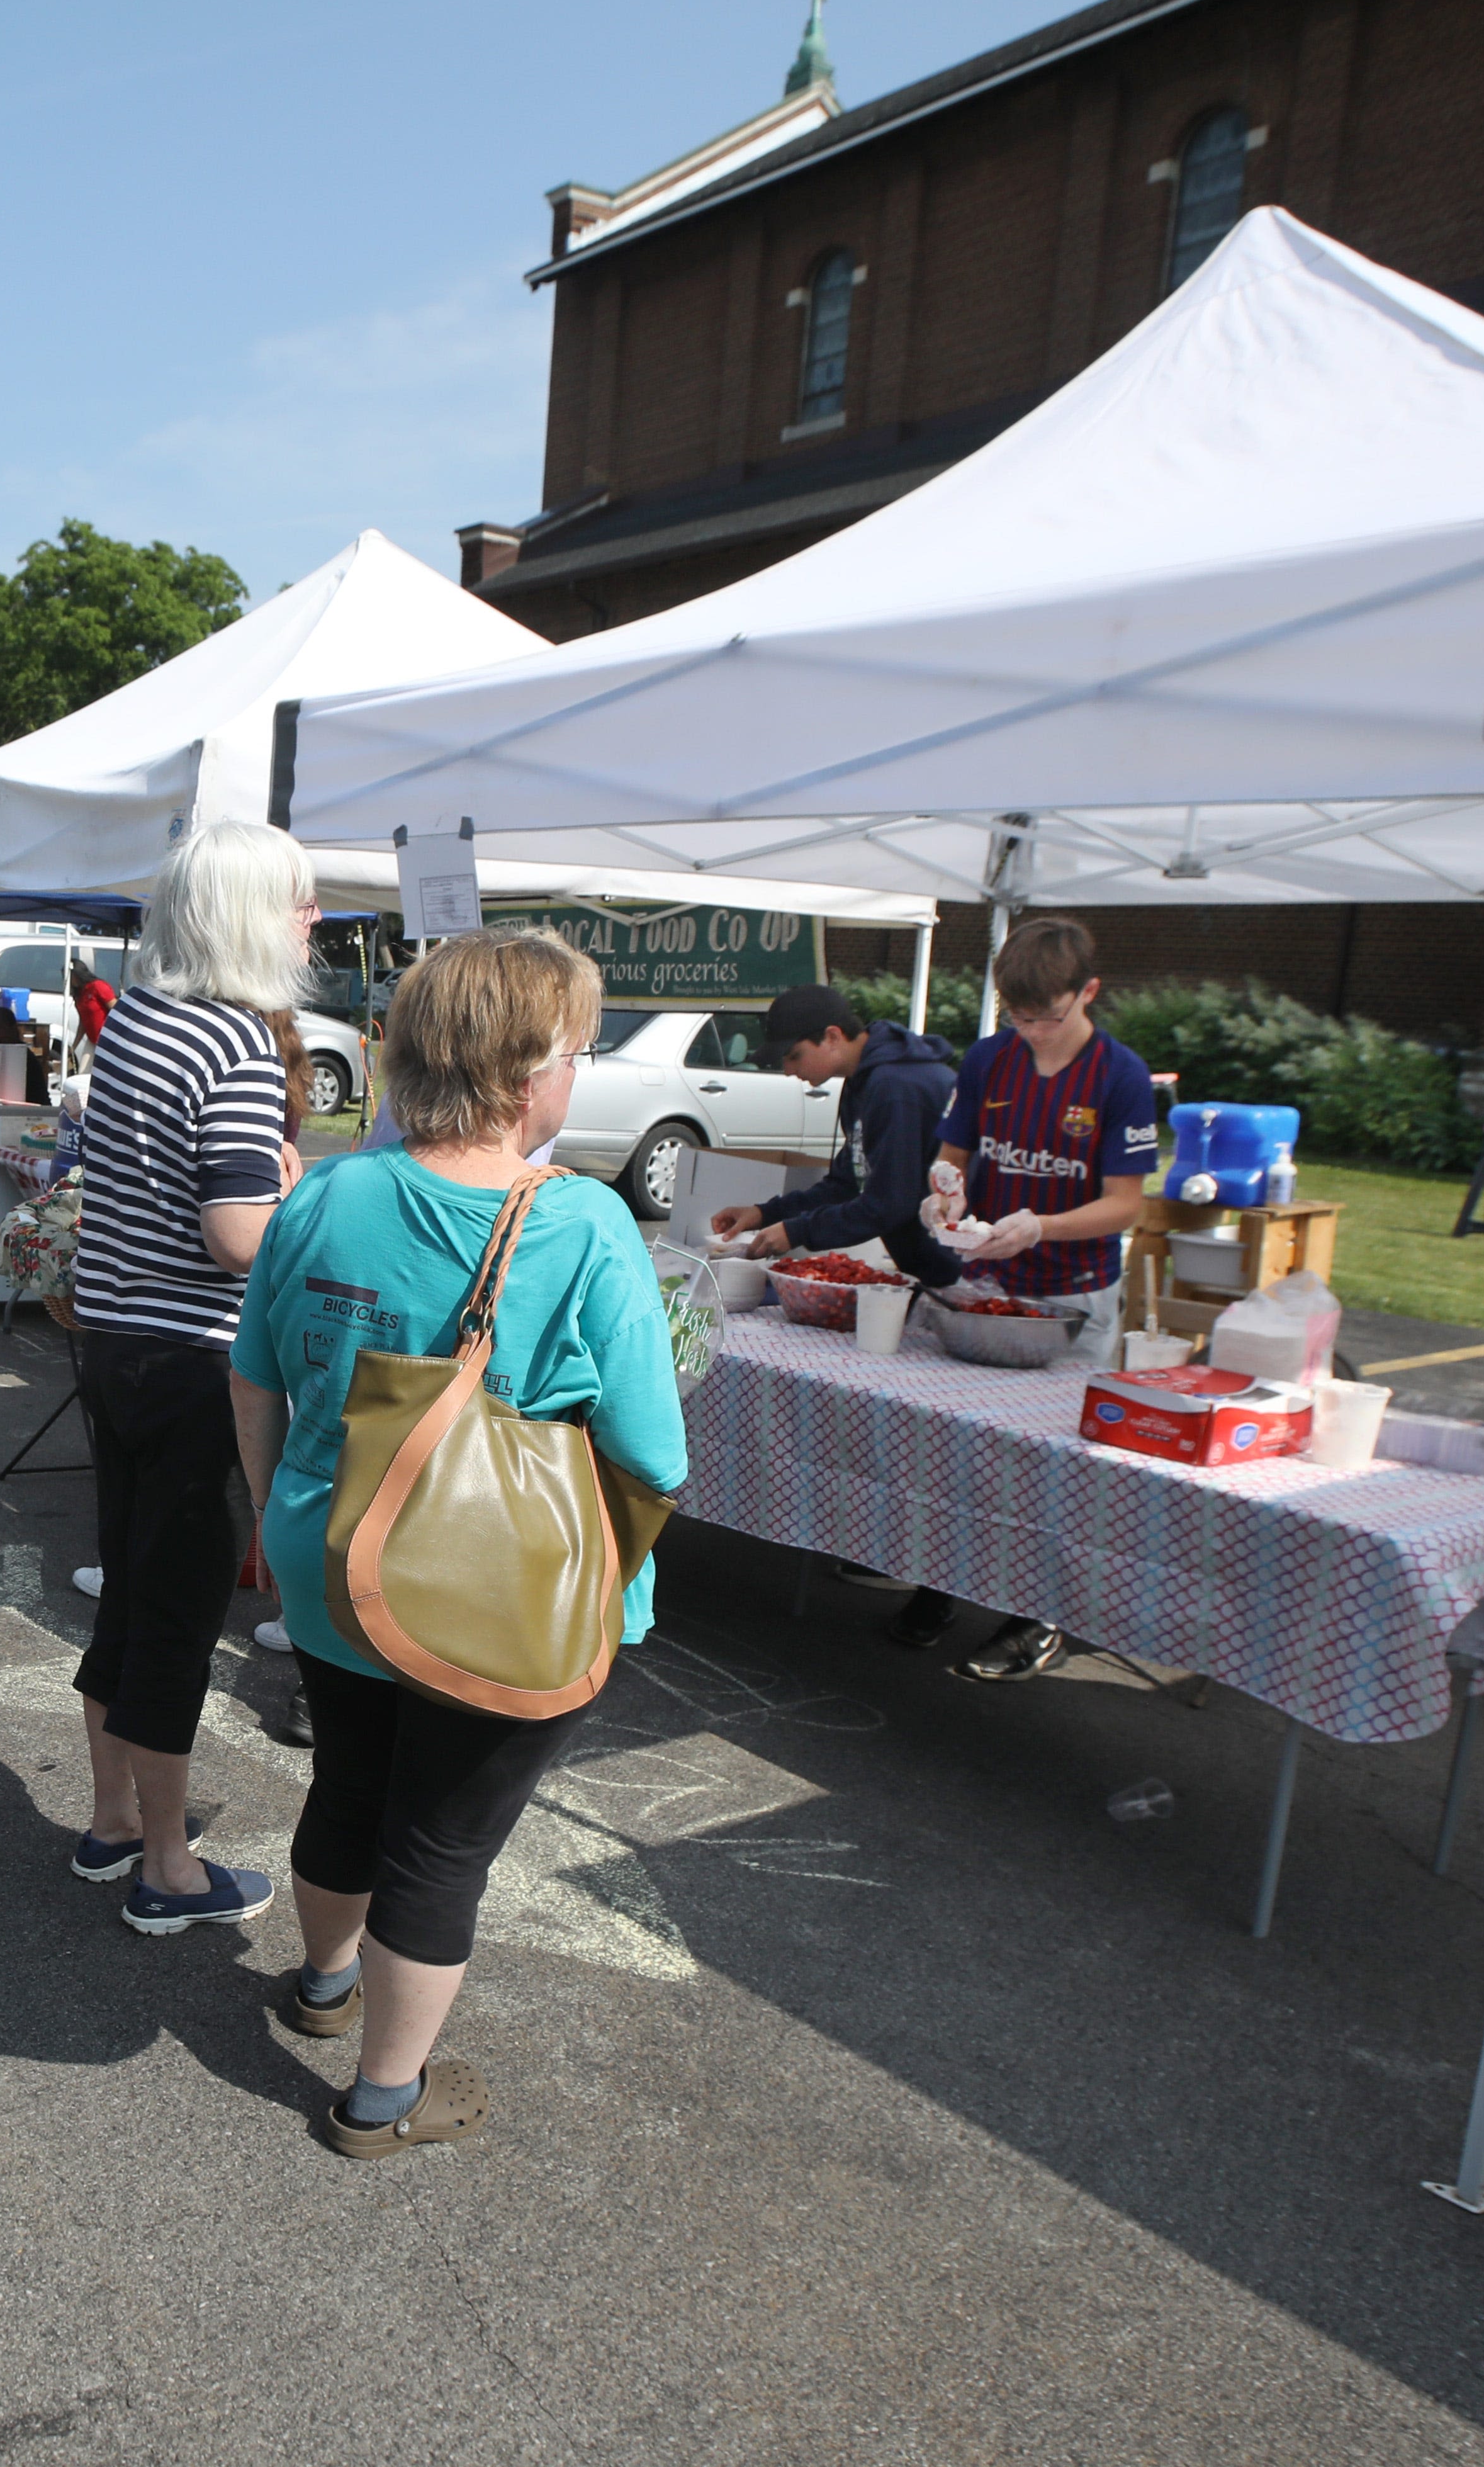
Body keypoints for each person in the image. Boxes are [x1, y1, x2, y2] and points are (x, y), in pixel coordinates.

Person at [232, 927, 687, 2155]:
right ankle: (384, 2098)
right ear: (527, 1069)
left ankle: (324, 1986)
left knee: (348, 1784)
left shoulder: (326, 1193)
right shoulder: (585, 1227)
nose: (579, 1076)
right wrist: (614, 1570)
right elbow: (655, 1453)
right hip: (493, 1594)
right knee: (438, 1842)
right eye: (580, 1051)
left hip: (336, 1559)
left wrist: (278, 1520)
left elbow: (257, 1379)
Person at [63, 820, 313, 1933]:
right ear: (255, 914)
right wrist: (302, 1205)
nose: (315, 919)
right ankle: (167, 1869)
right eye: (302, 900)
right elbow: (236, 1236)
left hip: (112, 1340)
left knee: (129, 1585)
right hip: (193, 1358)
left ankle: (118, 1818)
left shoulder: (141, 1020)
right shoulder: (236, 1040)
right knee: (177, 1610)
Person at [923, 915, 1159, 1681]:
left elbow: (1128, 1205)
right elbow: (952, 1156)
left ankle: (1037, 1618)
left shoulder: (1120, 1075)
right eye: (1018, 1017)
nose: (1032, 1033)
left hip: (1075, 1293)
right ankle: (939, 1582)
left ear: (1087, 994)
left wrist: (1044, 1225)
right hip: (990, 1282)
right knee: (965, 1445)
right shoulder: (992, 1059)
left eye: (1046, 1018)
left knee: (1054, 1466)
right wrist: (945, 1195)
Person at [709, 980, 974, 1646]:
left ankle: (942, 1592)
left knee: (946, 1442)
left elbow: (884, 1203)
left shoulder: (898, 1087)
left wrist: (795, 1237)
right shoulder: (865, 1083)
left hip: (963, 1270)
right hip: (922, 1266)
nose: (791, 1073)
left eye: (793, 1057)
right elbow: (843, 1182)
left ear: (832, 1037)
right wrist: (767, 1213)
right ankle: (899, 1558)